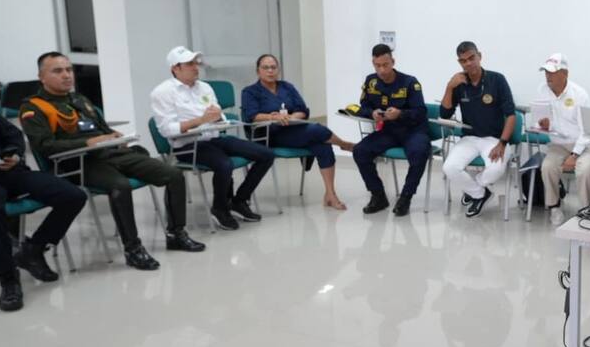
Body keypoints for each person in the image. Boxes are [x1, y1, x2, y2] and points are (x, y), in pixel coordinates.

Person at [21, 52, 205, 271]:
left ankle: (176, 233)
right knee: (120, 186)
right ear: (42, 76)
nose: (66, 75)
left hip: (110, 153)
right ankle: (133, 249)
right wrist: (89, 142)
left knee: (173, 174)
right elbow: (45, 146)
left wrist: (115, 136)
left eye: (69, 70)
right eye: (58, 71)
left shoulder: (79, 99)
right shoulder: (34, 108)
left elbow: (102, 129)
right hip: (77, 163)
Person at [0, 88, 86, 311]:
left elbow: (11, 134)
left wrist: (13, 152)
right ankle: (8, 278)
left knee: (73, 195)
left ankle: (33, 250)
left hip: (10, 170)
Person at [150, 46, 274, 231]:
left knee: (266, 154)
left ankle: (239, 201)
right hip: (188, 145)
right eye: (189, 64)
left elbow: (217, 114)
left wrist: (218, 117)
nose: (195, 67)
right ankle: (220, 208)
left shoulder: (204, 87)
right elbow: (168, 130)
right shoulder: (162, 93)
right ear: (175, 68)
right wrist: (200, 120)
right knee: (224, 164)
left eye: (195, 63)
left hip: (214, 137)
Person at [240, 53, 355, 210]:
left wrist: (292, 117)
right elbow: (251, 116)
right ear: (258, 71)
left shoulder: (287, 87)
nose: (270, 71)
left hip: (293, 128)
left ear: (278, 69)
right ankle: (343, 144)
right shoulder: (250, 91)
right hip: (270, 134)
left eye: (273, 67)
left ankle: (330, 194)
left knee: (322, 145)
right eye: (265, 67)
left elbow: (302, 109)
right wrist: (273, 117)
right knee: (317, 130)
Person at [350, 44, 430, 217]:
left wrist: (400, 114)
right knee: (360, 151)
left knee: (420, 152)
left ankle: (406, 197)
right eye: (377, 65)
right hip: (388, 131)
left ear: (392, 61)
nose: (382, 70)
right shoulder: (370, 81)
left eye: (385, 65)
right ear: (373, 64)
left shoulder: (410, 82)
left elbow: (420, 112)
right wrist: (372, 113)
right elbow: (363, 106)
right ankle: (378, 196)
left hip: (413, 130)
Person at [439, 41, 516, 218]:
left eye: (471, 58)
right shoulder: (458, 83)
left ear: (479, 56)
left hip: (494, 139)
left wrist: (502, 143)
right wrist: (450, 87)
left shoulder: (497, 79)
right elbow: (445, 113)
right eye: (463, 60)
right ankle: (480, 193)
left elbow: (511, 115)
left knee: (496, 169)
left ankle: (474, 190)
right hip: (469, 139)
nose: (468, 63)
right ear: (460, 63)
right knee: (449, 167)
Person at [533, 53, 590, 225]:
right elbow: (539, 120)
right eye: (546, 72)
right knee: (547, 167)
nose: (548, 76)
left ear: (565, 73)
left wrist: (574, 155)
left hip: (583, 145)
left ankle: (586, 210)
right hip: (558, 144)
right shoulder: (542, 90)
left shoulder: (580, 94)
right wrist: (542, 125)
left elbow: (588, 131)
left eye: (552, 72)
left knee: (585, 170)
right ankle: (554, 207)